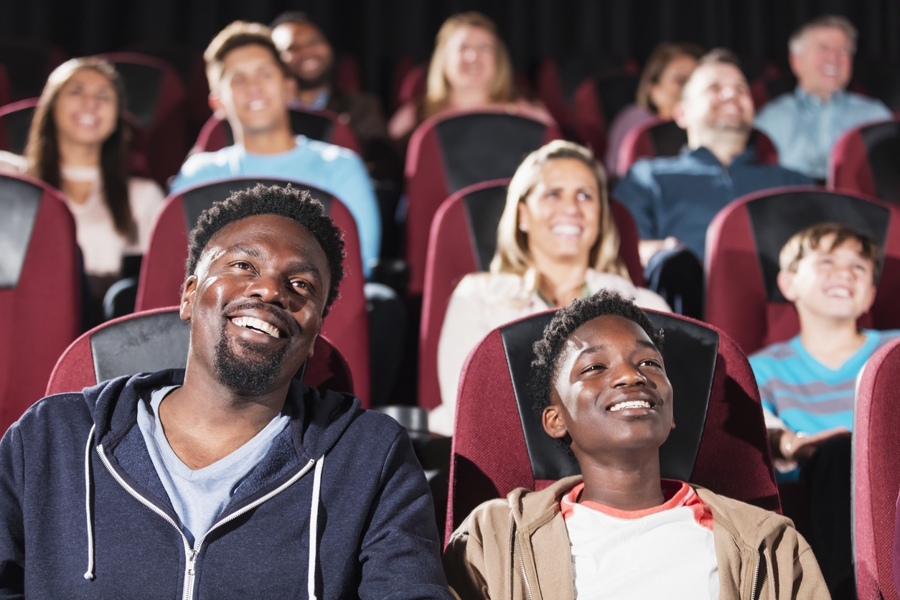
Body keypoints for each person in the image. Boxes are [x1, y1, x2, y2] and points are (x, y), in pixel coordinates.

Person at [0, 184, 453, 598]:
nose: (271, 290)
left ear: (314, 335)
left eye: (301, 285)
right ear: (189, 295)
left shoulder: (368, 455)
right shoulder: (48, 439)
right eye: (243, 265)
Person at [443, 291, 830, 599]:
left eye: (650, 364)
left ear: (672, 412)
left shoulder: (769, 544)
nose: (631, 375)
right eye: (594, 368)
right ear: (555, 420)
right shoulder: (493, 538)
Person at [433, 141, 669, 435]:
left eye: (585, 196)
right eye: (552, 194)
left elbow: (665, 407)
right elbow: (468, 411)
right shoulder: (476, 297)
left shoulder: (648, 306)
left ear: (600, 217)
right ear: (522, 215)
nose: (570, 208)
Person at [749, 223, 899, 599]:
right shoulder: (762, 367)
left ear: (870, 296)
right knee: (838, 453)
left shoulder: (895, 351)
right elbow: (758, 425)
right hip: (817, 482)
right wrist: (791, 445)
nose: (845, 274)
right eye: (828, 262)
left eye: (859, 268)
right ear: (789, 284)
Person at [172, 21, 381, 277]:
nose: (254, 87)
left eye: (265, 73)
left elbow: (357, 270)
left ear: (289, 88)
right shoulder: (197, 175)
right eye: (238, 79)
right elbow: (173, 268)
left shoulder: (340, 166)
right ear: (217, 103)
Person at [614, 48, 813, 317]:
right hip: (686, 304)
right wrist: (660, 250)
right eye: (715, 88)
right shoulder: (648, 176)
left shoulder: (793, 182)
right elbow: (622, 245)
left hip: (781, 308)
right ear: (682, 112)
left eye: (741, 89)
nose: (732, 95)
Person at [0, 58, 165, 320]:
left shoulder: (143, 196)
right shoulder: (11, 179)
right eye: (76, 92)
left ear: (117, 118)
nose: (91, 103)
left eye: (103, 96)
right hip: (21, 322)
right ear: (50, 107)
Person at [270, 11, 401, 183]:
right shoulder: (267, 111)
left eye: (314, 41)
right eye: (292, 48)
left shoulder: (362, 106)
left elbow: (383, 169)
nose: (307, 51)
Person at [755, 15, 891, 181]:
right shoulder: (770, 120)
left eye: (843, 51)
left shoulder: (875, 117)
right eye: (823, 49)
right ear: (795, 60)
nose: (834, 58)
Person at [387, 11, 553, 143]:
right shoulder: (414, 116)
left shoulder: (528, 113)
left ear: (498, 58)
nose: (473, 56)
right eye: (463, 47)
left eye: (484, 47)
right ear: (443, 59)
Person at [605, 42, 702, 176]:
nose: (690, 88)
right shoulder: (636, 119)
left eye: (697, 80)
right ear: (654, 90)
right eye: (680, 80)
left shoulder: (712, 128)